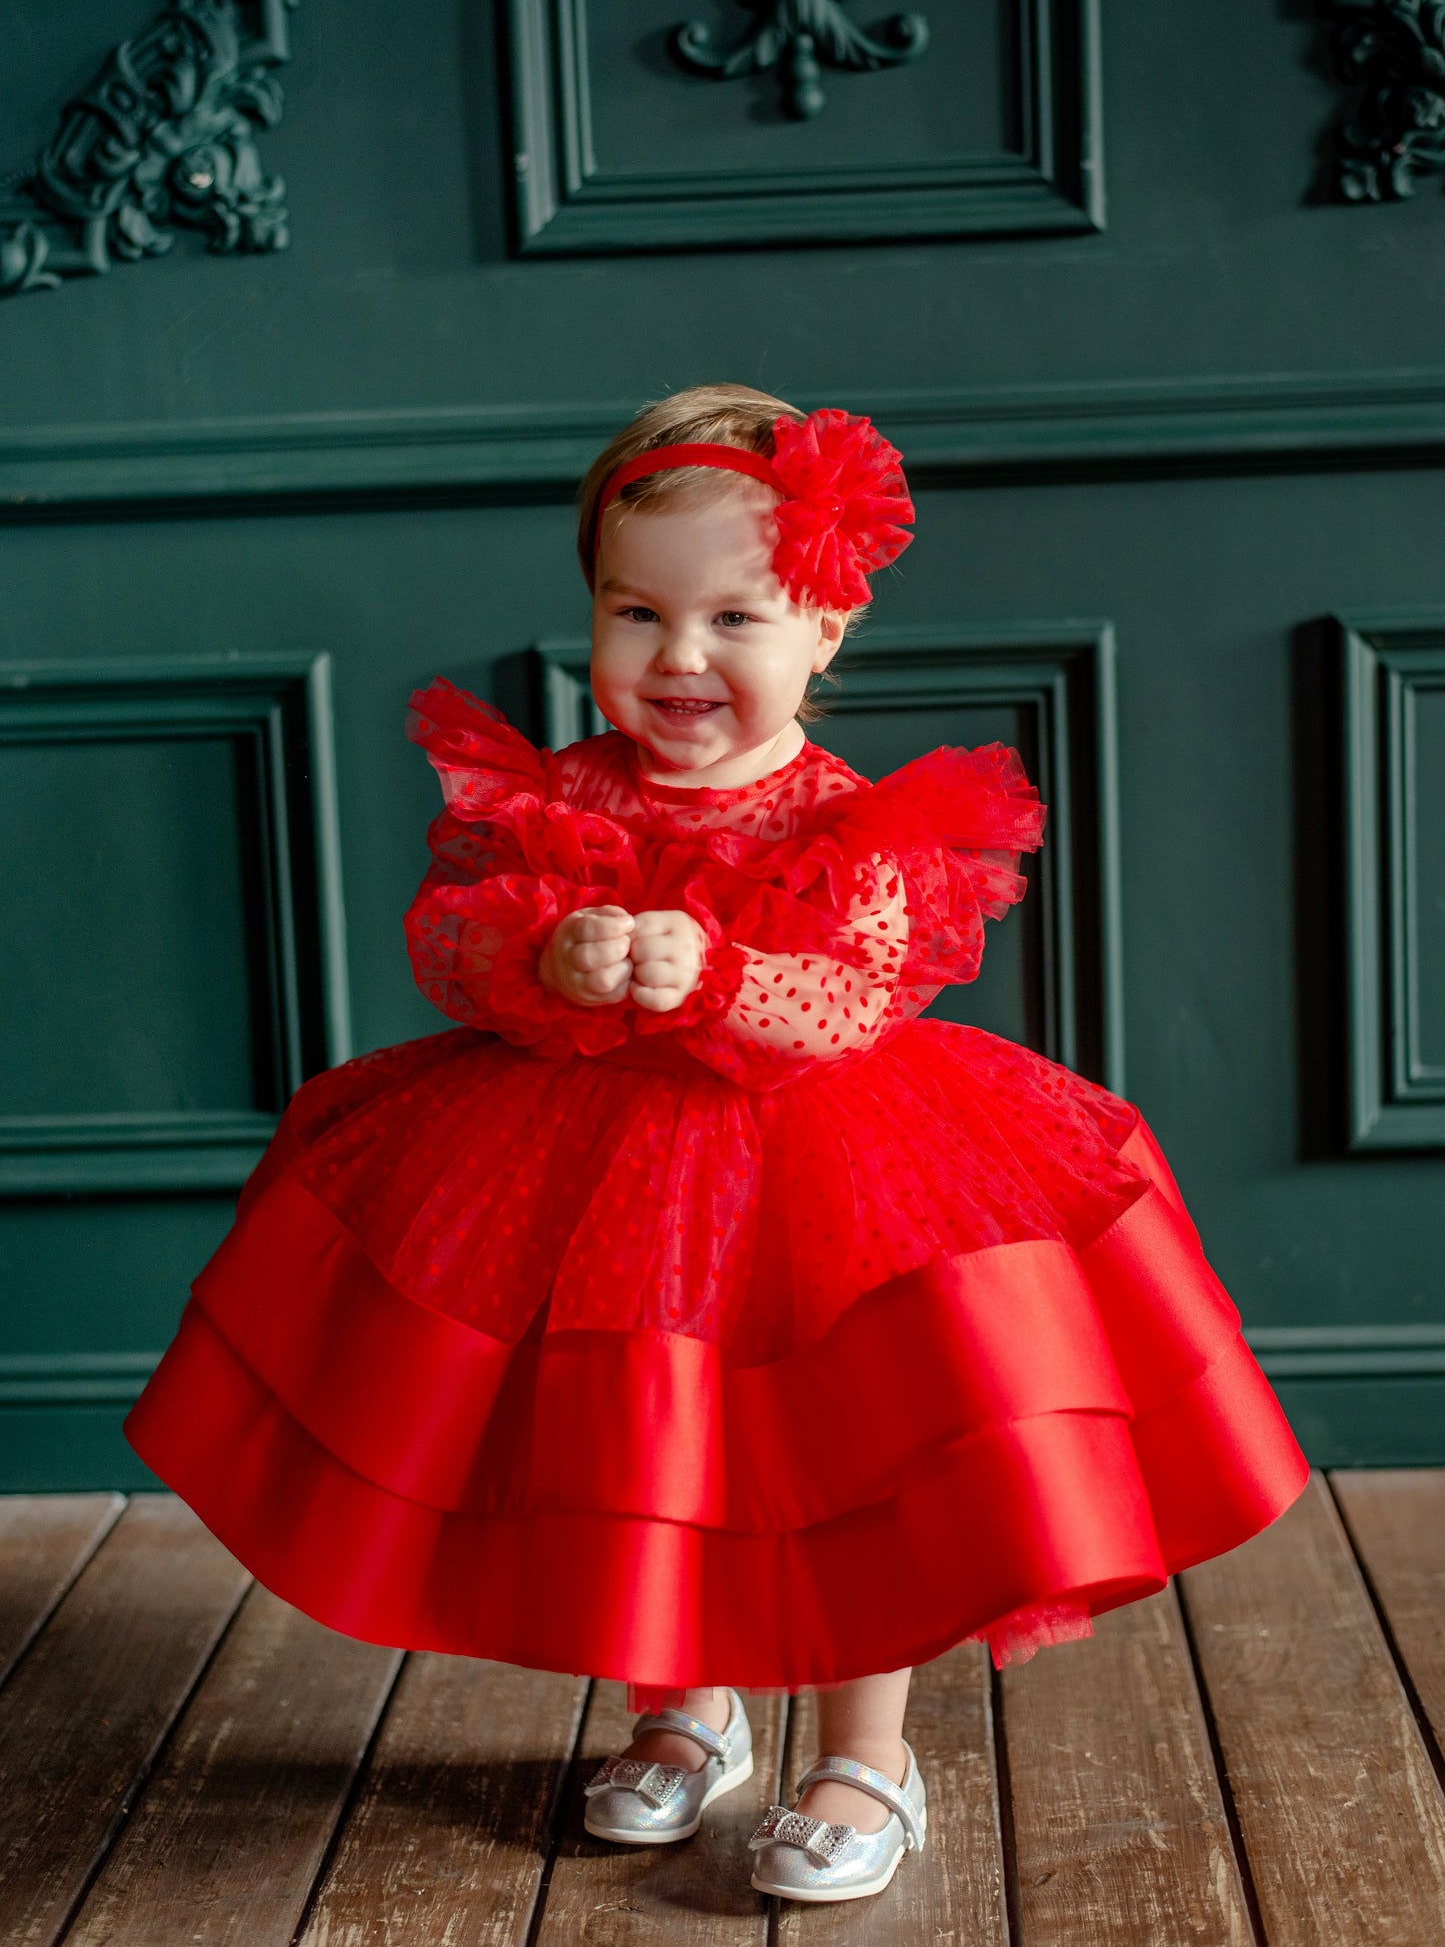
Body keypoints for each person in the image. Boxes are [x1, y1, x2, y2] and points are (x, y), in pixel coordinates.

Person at [126, 383, 1310, 1905]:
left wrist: (724, 974)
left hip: (828, 1176)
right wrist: (541, 963)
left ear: (824, 628)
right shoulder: (555, 794)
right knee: (643, 1442)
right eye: (636, 613)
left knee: (847, 1463)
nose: (678, 659)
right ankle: (684, 1708)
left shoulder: (855, 821)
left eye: (734, 618)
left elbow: (856, 997)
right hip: (591, 1176)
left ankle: (864, 1753)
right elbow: (457, 938)